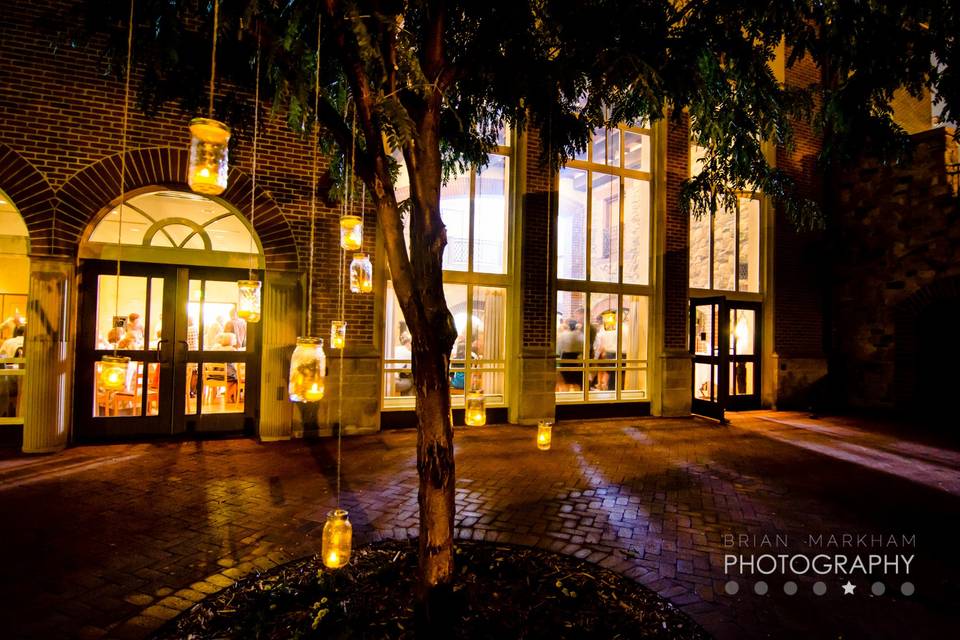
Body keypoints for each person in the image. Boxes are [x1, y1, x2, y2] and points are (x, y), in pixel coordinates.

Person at [556, 319, 584, 391]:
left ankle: (567, 393)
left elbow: (559, 348)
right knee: (576, 378)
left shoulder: (563, 335)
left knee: (566, 378)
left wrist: (559, 355)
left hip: (566, 356)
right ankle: (577, 394)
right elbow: (583, 346)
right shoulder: (580, 335)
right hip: (576, 357)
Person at [394, 332, 413, 396]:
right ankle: (407, 402)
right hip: (394, 383)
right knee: (412, 381)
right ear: (409, 343)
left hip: (386, 381)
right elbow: (408, 372)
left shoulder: (396, 349)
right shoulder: (408, 353)